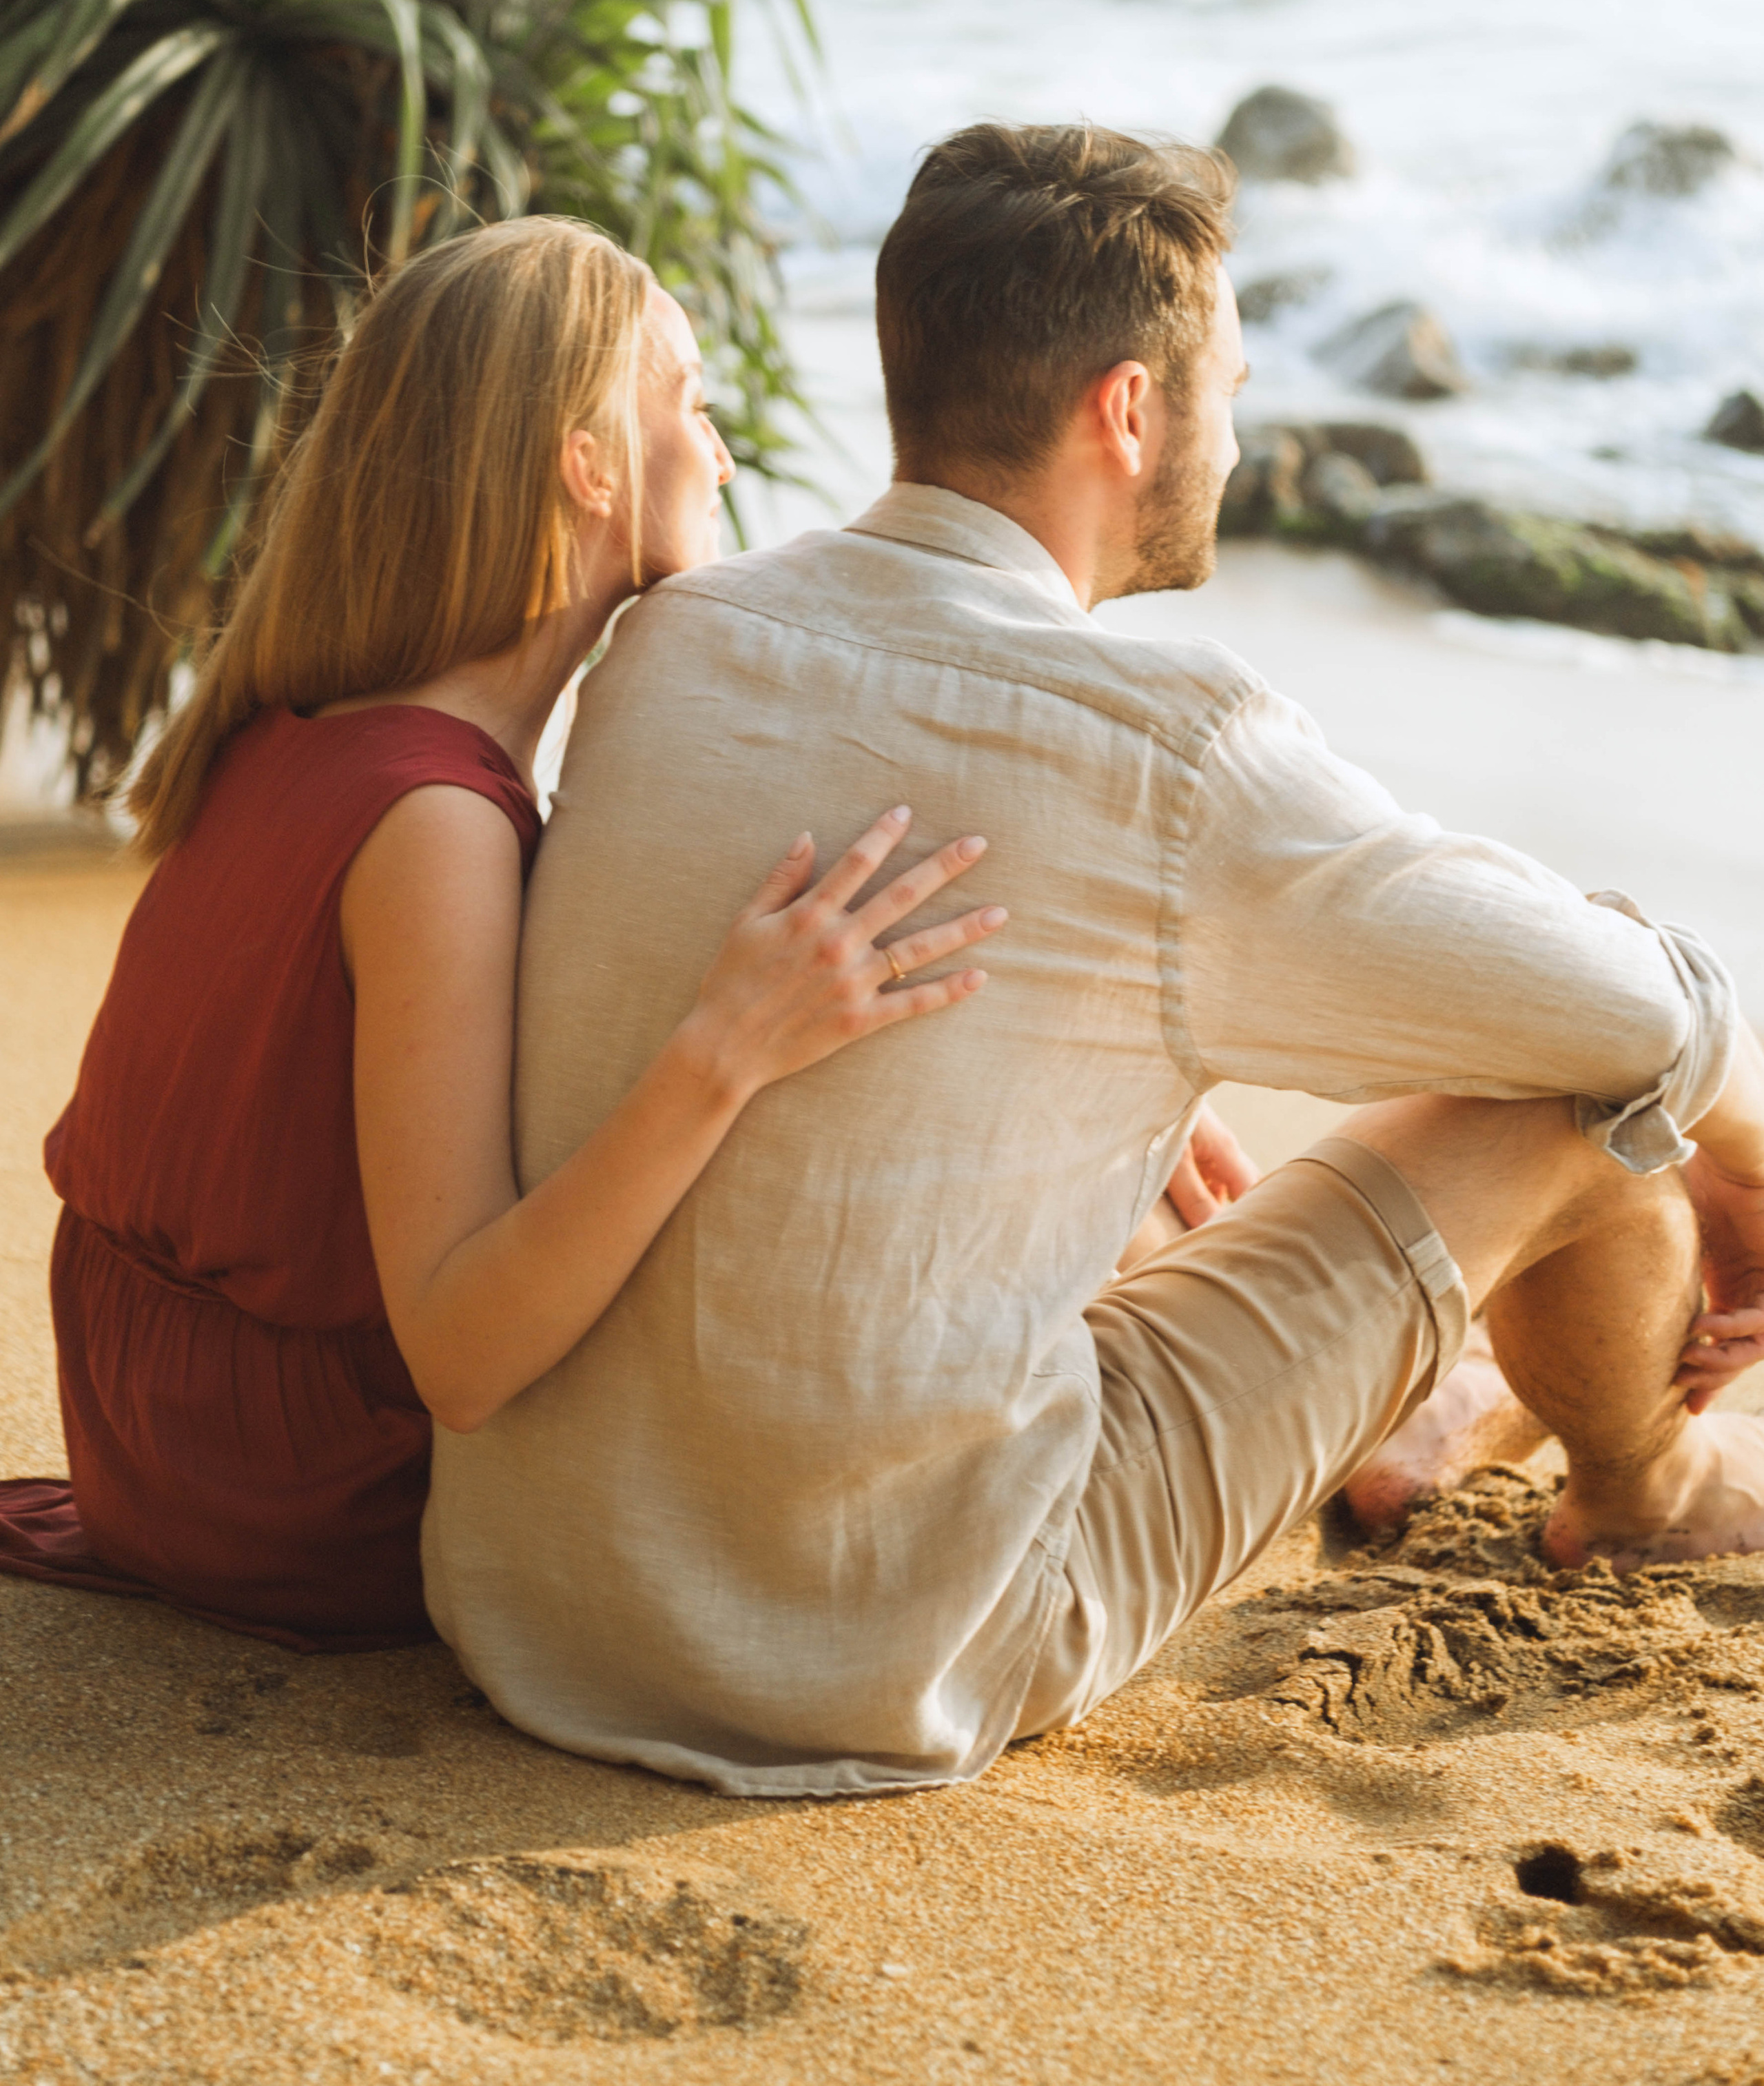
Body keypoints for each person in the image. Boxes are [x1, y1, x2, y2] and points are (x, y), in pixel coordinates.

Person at [424, 122, 1764, 1798]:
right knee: (1575, 1108)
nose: (1237, 418)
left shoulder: (664, 644)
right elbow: (1634, 1017)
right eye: (1227, 379)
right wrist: (1740, 1161)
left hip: (540, 1607)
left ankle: (1437, 1413)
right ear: (1127, 411)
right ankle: (1649, 1489)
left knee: (1140, 1137)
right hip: (900, 1643)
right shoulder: (1175, 751)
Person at [0, 216, 1005, 1648]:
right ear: (584, 463)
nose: (722, 456)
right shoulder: (433, 829)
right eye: (693, 404)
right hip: (300, 1501)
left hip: (157, 1441)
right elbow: (462, 1362)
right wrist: (723, 1051)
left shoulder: (296, 734)